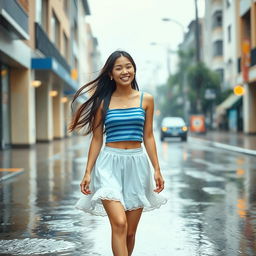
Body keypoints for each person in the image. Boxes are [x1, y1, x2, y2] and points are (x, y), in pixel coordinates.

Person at [69, 50, 167, 256]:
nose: (125, 71)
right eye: (119, 67)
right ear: (110, 74)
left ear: (134, 69)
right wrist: (87, 172)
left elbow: (148, 136)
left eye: (128, 66)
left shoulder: (146, 99)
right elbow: (97, 139)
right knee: (120, 224)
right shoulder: (102, 103)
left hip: (137, 164)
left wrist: (157, 169)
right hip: (108, 164)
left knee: (130, 233)